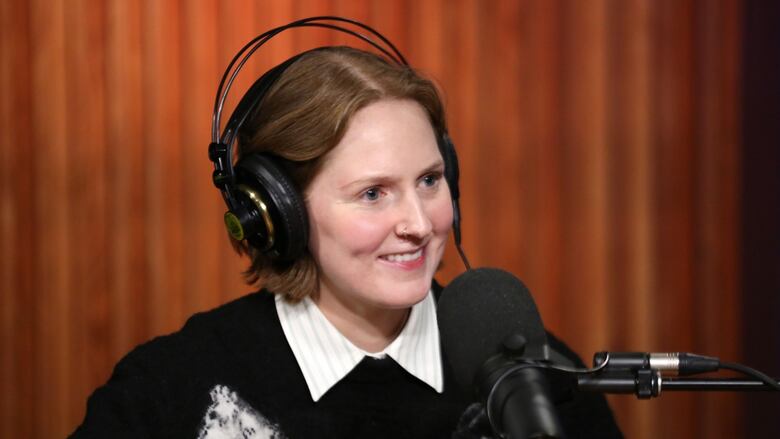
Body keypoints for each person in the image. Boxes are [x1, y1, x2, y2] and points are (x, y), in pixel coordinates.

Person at [71, 45, 622, 438]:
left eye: (429, 181)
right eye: (373, 193)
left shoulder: (538, 386)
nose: (419, 222)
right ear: (278, 212)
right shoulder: (172, 388)